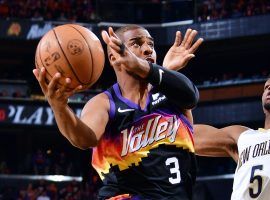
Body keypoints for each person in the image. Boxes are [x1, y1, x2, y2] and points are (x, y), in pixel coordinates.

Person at [33, 25, 203, 199]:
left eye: (151, 45)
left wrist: (161, 70)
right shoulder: (104, 103)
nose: (147, 49)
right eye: (136, 44)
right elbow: (84, 139)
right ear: (114, 57)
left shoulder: (171, 95)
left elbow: (191, 96)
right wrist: (59, 106)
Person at [193, 75, 270, 200]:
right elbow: (186, 135)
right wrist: (165, 78)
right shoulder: (244, 136)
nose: (268, 88)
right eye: (266, 87)